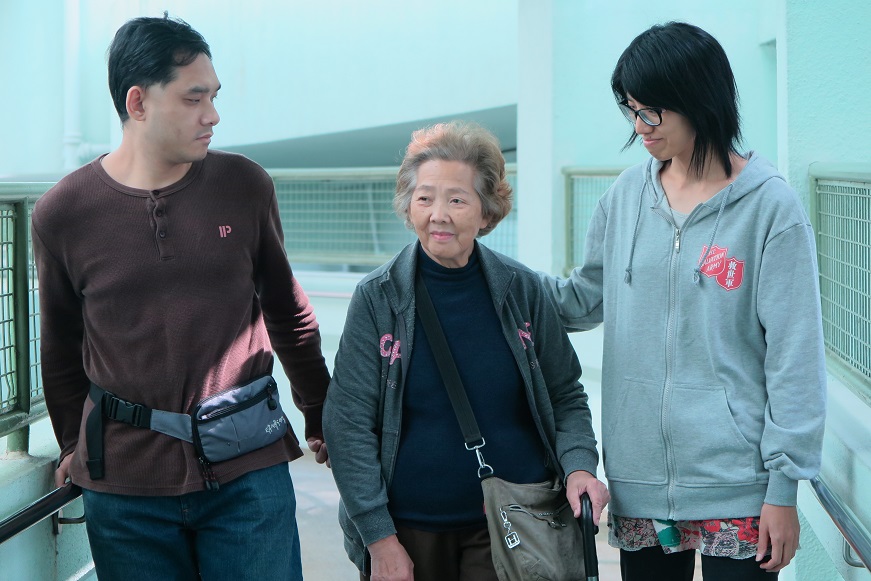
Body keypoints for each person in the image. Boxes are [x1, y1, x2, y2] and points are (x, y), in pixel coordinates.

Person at [30, 15, 330, 581]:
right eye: (195, 99)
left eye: (214, 96)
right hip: (124, 488)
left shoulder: (244, 185)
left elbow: (288, 311)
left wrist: (320, 411)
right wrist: (73, 442)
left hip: (249, 471)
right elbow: (61, 344)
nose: (212, 115)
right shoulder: (61, 214)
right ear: (138, 102)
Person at [540, 21, 827, 580]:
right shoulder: (625, 196)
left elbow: (794, 354)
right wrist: (487, 273)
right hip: (640, 481)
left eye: (652, 113)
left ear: (699, 101)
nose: (639, 127)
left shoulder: (771, 209)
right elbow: (580, 301)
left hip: (739, 488)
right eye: (631, 110)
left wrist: (784, 487)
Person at [323, 121, 609, 581]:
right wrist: (379, 538)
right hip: (408, 532)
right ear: (408, 205)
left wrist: (578, 466)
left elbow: (565, 394)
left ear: (487, 210)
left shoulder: (523, 290)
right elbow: (348, 422)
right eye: (424, 198)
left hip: (513, 527)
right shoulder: (378, 297)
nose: (439, 214)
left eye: (456, 199)